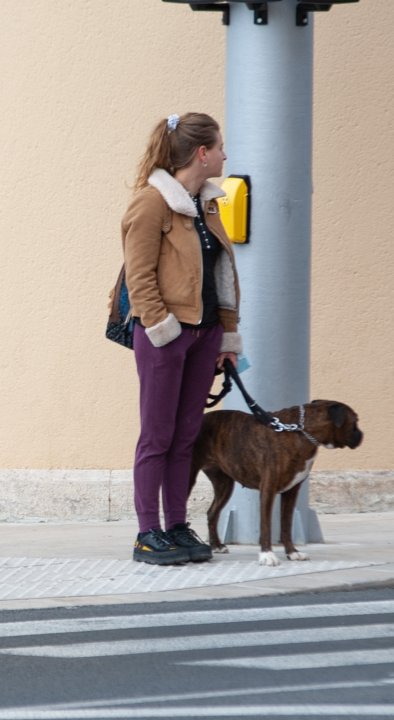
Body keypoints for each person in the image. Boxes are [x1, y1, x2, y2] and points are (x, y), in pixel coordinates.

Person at [116, 112, 243, 566]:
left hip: (206, 335)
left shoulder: (206, 204)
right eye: (220, 147)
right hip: (165, 336)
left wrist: (227, 339)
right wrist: (162, 327)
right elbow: (140, 276)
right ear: (202, 153)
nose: (226, 154)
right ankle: (147, 532)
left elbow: (221, 275)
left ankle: (176, 525)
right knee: (158, 435)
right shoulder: (152, 204)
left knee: (186, 435)